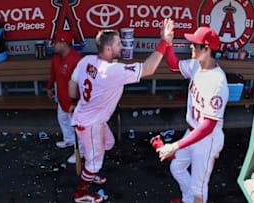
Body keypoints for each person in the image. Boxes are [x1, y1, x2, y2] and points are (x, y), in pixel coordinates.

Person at [68, 19, 174, 203]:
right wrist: (164, 41)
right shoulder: (111, 70)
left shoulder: (87, 60)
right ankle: (81, 192)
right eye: (118, 43)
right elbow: (149, 69)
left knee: (108, 143)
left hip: (87, 116)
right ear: (108, 48)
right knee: (95, 162)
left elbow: (72, 81)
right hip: (89, 124)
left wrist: (71, 101)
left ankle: (89, 173)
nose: (122, 45)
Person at [156, 25, 229, 203]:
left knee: (199, 187)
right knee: (177, 167)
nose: (191, 47)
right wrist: (168, 43)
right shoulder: (197, 65)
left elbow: (208, 126)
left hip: (207, 138)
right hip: (193, 131)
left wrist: (175, 146)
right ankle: (188, 200)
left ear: (207, 49)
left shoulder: (217, 82)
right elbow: (174, 65)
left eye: (195, 45)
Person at [47, 30, 84, 164]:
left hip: (74, 101)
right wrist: (49, 87)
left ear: (63, 43)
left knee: (78, 130)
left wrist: (77, 103)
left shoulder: (76, 59)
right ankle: (69, 140)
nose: (52, 45)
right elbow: (53, 74)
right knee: (62, 119)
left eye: (55, 42)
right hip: (61, 98)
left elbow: (81, 84)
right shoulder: (57, 56)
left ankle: (81, 151)